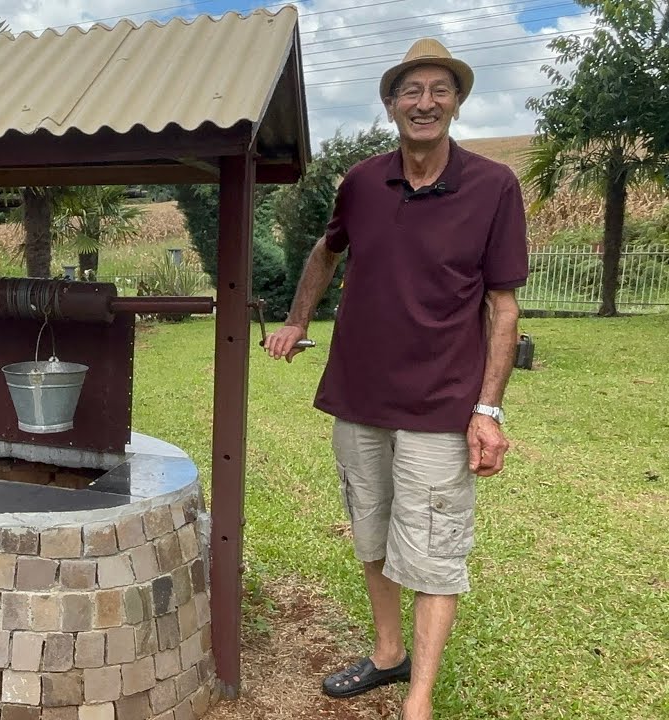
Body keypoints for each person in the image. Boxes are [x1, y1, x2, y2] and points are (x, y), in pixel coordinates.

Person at [263, 38, 528, 720]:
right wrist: (296, 319)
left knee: (435, 551)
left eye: (440, 90)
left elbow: (503, 305)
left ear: (457, 103)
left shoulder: (493, 187)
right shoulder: (361, 182)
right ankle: (387, 655)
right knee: (372, 533)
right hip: (359, 397)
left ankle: (419, 699)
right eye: (411, 91)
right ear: (390, 105)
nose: (425, 102)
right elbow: (328, 249)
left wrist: (488, 410)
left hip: (442, 405)